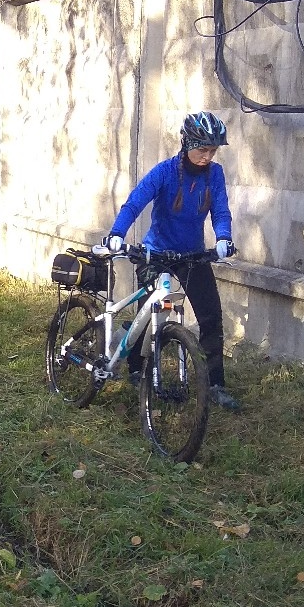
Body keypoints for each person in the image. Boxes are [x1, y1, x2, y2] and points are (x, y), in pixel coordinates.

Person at [104, 111, 240, 410]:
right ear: (187, 144)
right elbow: (135, 202)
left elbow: (220, 210)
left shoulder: (214, 174)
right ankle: (136, 369)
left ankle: (215, 384)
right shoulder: (164, 172)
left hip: (192, 255)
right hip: (157, 254)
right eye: (202, 149)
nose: (207, 156)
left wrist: (223, 238)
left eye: (212, 150)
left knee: (211, 318)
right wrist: (117, 233)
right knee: (149, 313)